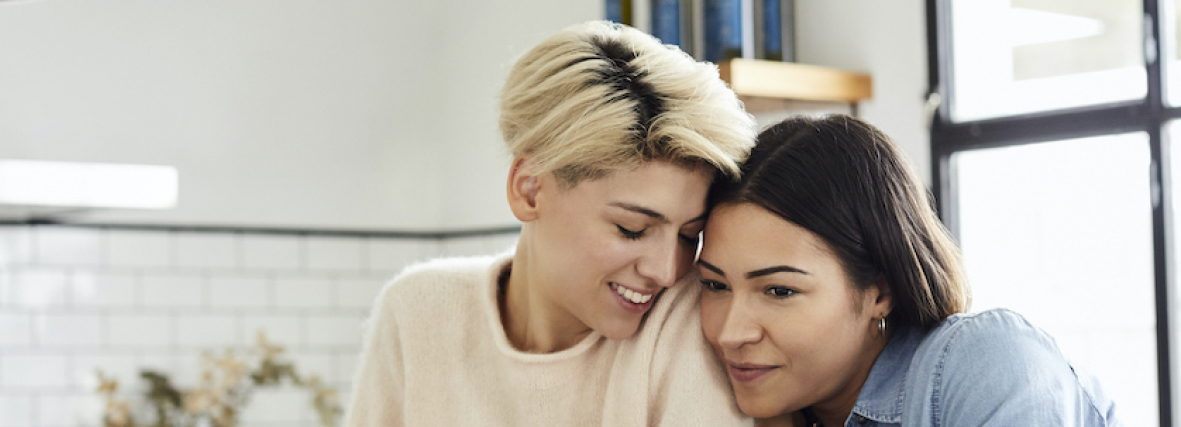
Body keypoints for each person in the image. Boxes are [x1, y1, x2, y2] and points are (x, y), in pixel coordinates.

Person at [346, 21, 773, 426]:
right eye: (632, 229)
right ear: (529, 189)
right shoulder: (420, 311)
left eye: (688, 236)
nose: (665, 271)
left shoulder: (684, 321)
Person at [697, 114, 1121, 426]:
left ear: (880, 291)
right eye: (715, 284)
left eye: (779, 291)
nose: (731, 333)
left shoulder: (983, 361)